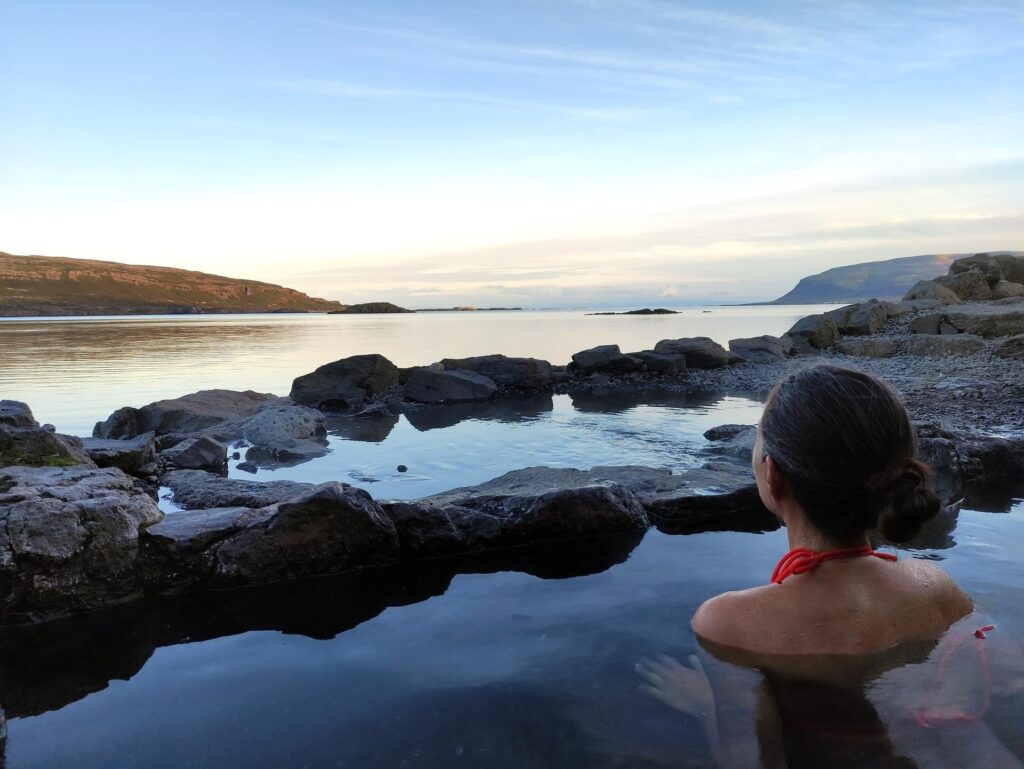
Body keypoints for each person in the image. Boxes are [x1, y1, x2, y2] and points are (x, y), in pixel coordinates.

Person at [637, 365, 1022, 767]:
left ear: (773, 475)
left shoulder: (728, 622)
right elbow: (1006, 674)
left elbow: (749, 759)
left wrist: (706, 705)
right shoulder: (938, 586)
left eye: (758, 440)